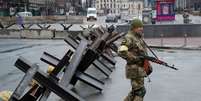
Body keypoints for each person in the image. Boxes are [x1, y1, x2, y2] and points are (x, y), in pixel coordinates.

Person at [118, 18, 152, 101]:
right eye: (138, 27)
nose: (141, 28)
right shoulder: (129, 37)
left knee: (135, 92)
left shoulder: (138, 37)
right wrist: (135, 58)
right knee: (140, 91)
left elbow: (143, 54)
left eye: (141, 26)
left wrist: (148, 65)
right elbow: (121, 51)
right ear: (133, 28)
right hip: (134, 69)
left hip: (139, 69)